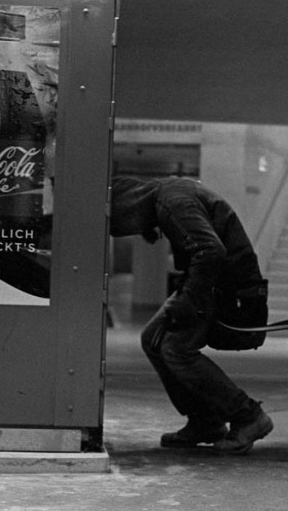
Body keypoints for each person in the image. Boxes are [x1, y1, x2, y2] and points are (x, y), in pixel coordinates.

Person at [110, 176, 273, 454]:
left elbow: (210, 252)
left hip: (226, 285)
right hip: (216, 281)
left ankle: (249, 416)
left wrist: (188, 302)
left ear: (129, 210)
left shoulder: (171, 200)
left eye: (122, 226)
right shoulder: (168, 195)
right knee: (153, 338)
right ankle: (205, 421)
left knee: (176, 349)